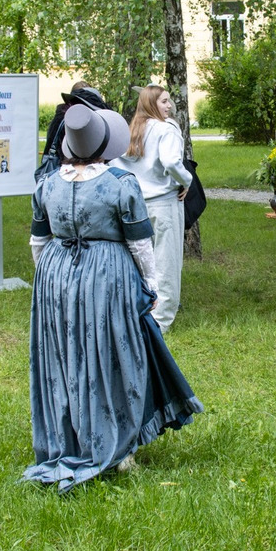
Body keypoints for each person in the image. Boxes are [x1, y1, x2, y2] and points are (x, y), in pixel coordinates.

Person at [24, 104, 202, 492]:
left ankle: (69, 439)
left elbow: (39, 243)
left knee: (65, 357)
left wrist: (54, 280)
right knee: (114, 356)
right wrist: (150, 286)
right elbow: (140, 245)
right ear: (106, 143)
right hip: (107, 276)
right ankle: (117, 449)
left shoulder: (47, 184)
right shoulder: (121, 184)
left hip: (55, 277)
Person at [112, 85, 192, 334]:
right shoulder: (166, 129)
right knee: (165, 261)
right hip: (163, 203)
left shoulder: (134, 128)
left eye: (169, 101)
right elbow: (170, 161)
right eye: (164, 102)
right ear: (150, 104)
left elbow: (115, 162)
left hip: (136, 204)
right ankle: (161, 321)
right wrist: (186, 180)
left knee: (139, 260)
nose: (169, 106)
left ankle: (138, 311)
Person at [39, 82, 110, 177]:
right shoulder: (64, 118)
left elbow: (51, 142)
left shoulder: (61, 118)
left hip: (63, 171)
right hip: (71, 169)